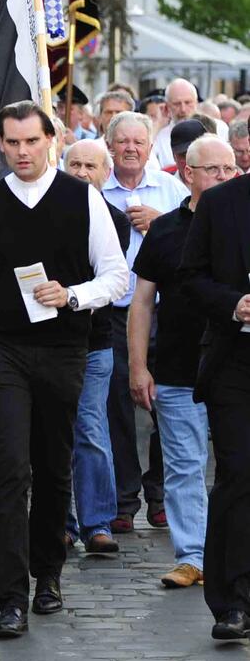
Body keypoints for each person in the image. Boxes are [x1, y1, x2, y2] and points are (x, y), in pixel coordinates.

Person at [0, 102, 128, 640]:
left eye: (32, 141)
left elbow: (117, 276)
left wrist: (72, 295)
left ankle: (47, 573)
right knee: (10, 469)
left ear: (51, 139)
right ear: (0, 145)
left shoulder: (83, 200)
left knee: (53, 466)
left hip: (63, 349)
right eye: (13, 143)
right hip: (1, 350)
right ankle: (10, 597)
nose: (23, 152)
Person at [129, 131, 234, 593]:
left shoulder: (242, 223)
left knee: (237, 465)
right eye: (214, 169)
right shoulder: (167, 229)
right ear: (188, 173)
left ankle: (232, 553)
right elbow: (142, 303)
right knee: (185, 464)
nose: (225, 177)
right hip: (176, 368)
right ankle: (193, 556)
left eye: (230, 168)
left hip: (235, 365)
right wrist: (138, 366)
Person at [101, 110, 188, 533]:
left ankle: (159, 494)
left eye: (139, 142)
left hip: (166, 313)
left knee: (166, 404)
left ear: (151, 148)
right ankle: (123, 498)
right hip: (114, 313)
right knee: (117, 404)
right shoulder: (97, 190)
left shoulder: (172, 190)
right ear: (110, 146)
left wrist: (161, 225)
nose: (131, 148)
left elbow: (193, 245)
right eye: (123, 142)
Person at [178, 144, 250, 642]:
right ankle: (233, 601)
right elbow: (189, 277)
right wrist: (234, 304)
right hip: (236, 364)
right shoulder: (222, 204)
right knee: (239, 474)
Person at [62, 139, 130, 557]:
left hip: (93, 342)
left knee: (90, 430)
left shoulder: (114, 219)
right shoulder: (44, 211)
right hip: (49, 341)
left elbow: (104, 278)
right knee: (55, 432)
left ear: (106, 174)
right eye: (75, 164)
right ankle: (61, 521)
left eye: (91, 165)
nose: (83, 172)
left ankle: (97, 522)